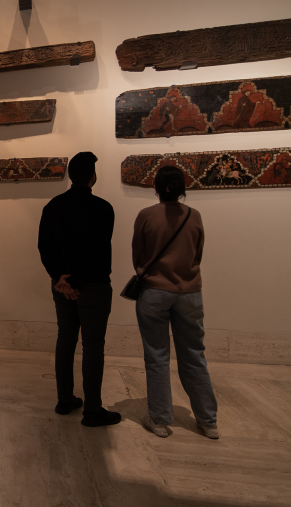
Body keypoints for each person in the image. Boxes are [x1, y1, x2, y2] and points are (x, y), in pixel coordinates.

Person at [132, 165, 218, 439]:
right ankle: (208, 421)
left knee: (157, 357)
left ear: (156, 187)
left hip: (154, 292)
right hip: (190, 293)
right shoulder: (194, 216)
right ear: (183, 189)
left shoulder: (146, 215)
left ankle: (159, 420)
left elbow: (138, 256)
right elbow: (198, 255)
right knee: (194, 355)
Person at [37, 152, 122, 427]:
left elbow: (44, 247)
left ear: (71, 175)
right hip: (92, 286)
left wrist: (59, 277)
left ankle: (64, 400)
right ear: (92, 176)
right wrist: (75, 280)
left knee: (65, 341)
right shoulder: (103, 208)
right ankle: (93, 410)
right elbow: (96, 251)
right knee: (93, 347)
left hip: (62, 287)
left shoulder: (53, 206)